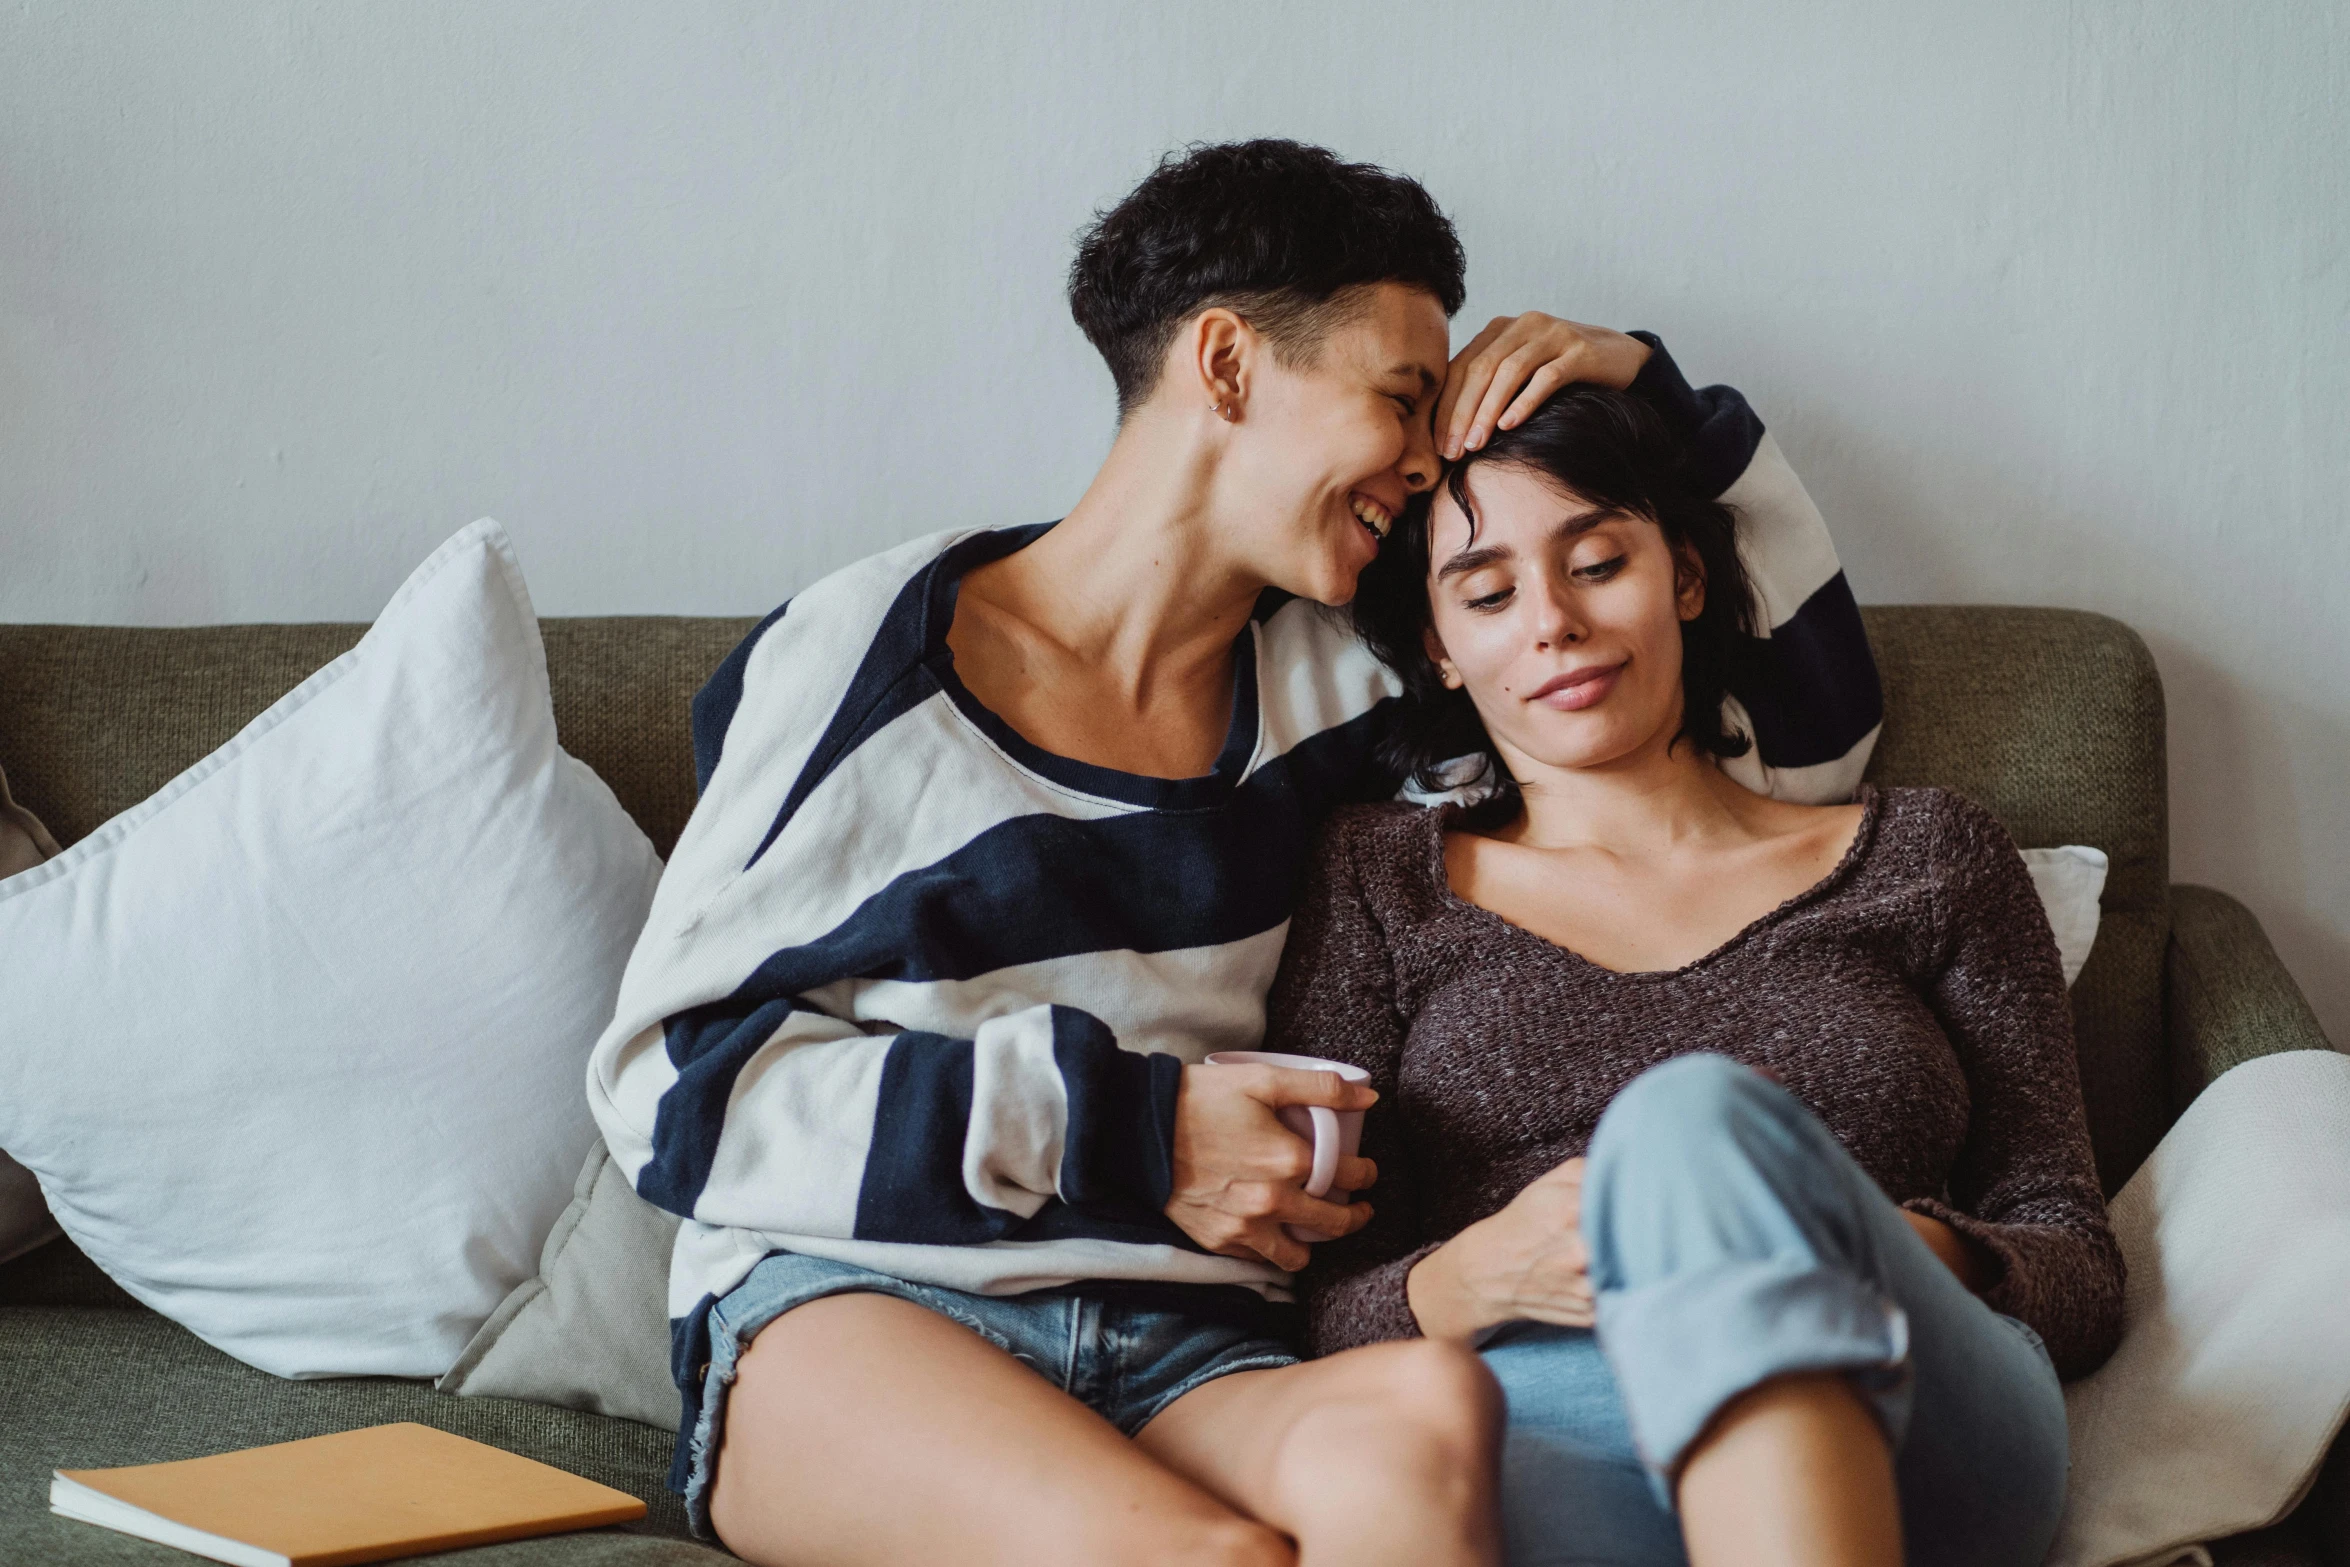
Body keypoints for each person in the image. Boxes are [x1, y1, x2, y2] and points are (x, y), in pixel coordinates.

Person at [585, 139, 1882, 1566]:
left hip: (1202, 1348)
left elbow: (1781, 753)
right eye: (1399, 398)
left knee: (1427, 1415)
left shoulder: (1358, 688)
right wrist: (1143, 1131)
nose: (1424, 454)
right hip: (865, 1307)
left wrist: (1648, 386)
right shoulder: (871, 655)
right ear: (1223, 367)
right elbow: (668, 1086)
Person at [1271, 384, 2125, 1567]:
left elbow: (2076, 1262)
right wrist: (1466, 1278)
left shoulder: (1932, 857)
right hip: (1549, 1432)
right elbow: (1307, 1303)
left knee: (1688, 1121)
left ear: (1683, 575)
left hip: (1917, 1412)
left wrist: (1836, 1230)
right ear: (1439, 647)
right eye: (1488, 593)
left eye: (1596, 561)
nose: (1551, 622)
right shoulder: (1375, 880)